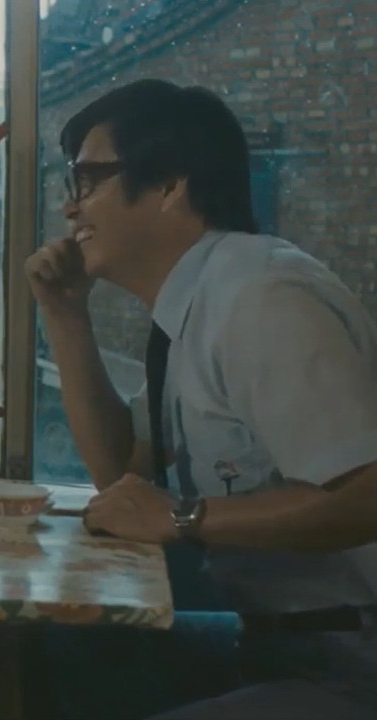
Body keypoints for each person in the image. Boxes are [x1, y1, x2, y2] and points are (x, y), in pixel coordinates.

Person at [26, 78, 377, 718]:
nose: (72, 208)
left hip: (350, 660)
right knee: (54, 647)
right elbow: (122, 480)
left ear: (169, 186)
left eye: (89, 180)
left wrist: (186, 518)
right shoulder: (189, 309)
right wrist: (67, 315)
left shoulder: (261, 298)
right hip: (269, 641)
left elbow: (367, 495)